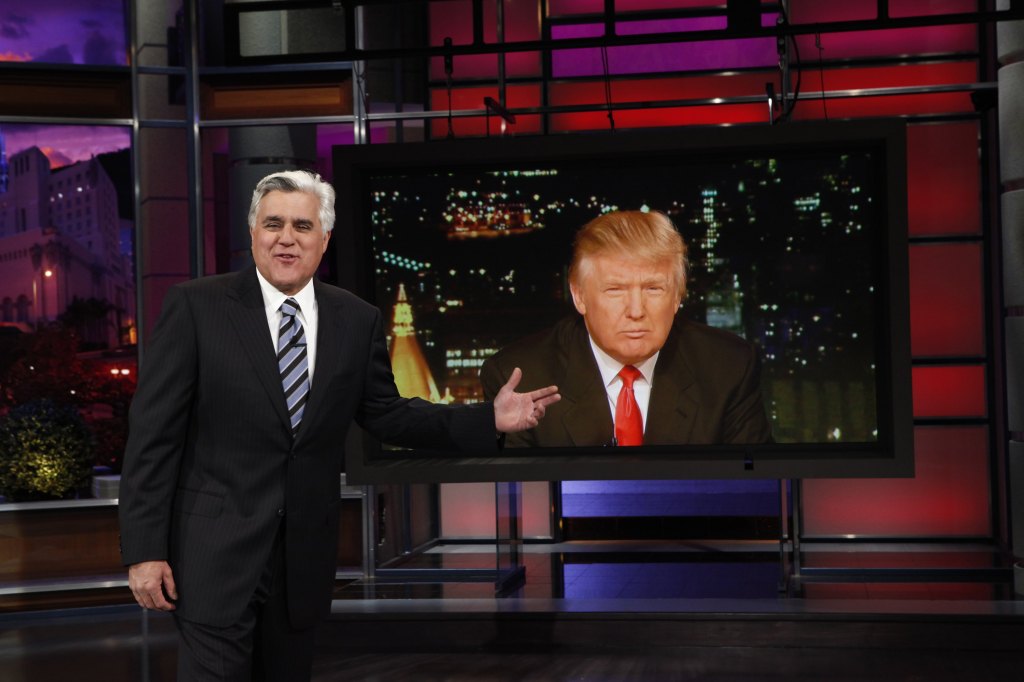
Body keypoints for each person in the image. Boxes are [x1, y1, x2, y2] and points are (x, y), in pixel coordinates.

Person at [118, 170, 560, 680]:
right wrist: (145, 551)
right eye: (274, 224)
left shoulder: (357, 318)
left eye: (302, 226)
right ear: (253, 233)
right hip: (211, 556)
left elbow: (388, 414)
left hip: (301, 561)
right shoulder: (196, 307)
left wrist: (490, 419)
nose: (287, 238)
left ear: (323, 239)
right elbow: (153, 438)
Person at [480, 209, 770, 447]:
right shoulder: (521, 379)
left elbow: (753, 494)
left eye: (653, 289)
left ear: (678, 296)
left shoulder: (729, 367)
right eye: (615, 290)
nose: (636, 311)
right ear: (579, 296)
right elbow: (524, 506)